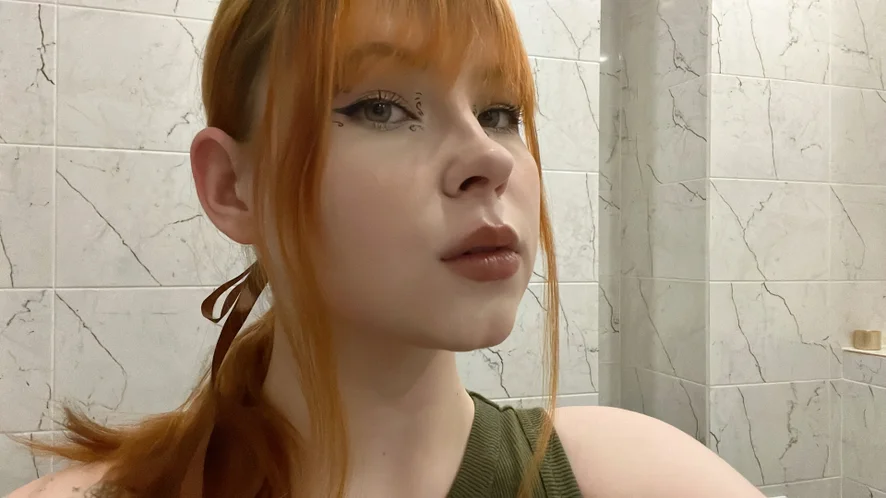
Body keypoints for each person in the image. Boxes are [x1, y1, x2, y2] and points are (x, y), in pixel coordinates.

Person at [10, 0, 764, 497]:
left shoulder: (638, 479)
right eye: (380, 106)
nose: (489, 158)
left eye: (500, 112)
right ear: (234, 188)